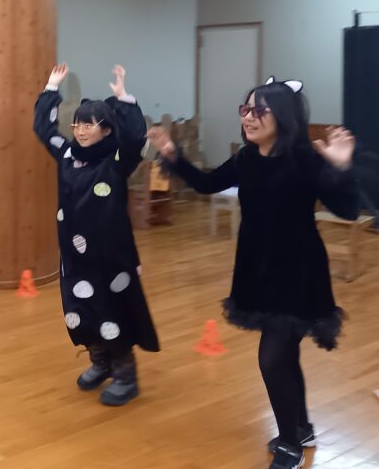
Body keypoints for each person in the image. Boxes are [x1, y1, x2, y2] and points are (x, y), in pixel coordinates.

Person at [150, 77, 359, 469]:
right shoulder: (246, 159)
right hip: (258, 270)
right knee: (285, 355)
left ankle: (290, 444)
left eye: (258, 110)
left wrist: (341, 166)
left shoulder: (305, 159)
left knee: (272, 358)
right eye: (245, 109)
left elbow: (347, 209)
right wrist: (171, 154)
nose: (248, 117)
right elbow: (207, 184)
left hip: (297, 273)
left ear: (283, 115)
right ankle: (302, 428)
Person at [32, 63, 160, 406]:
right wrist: (51, 88)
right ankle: (100, 361)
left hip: (110, 255)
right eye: (77, 124)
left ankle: (126, 374)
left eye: (88, 124)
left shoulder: (117, 158)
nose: (80, 130)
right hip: (74, 255)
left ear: (105, 128)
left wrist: (124, 98)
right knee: (79, 308)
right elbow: (43, 128)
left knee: (111, 308)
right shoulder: (67, 153)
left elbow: (136, 137)